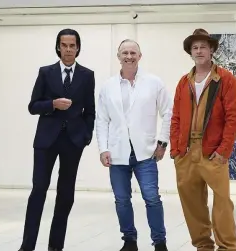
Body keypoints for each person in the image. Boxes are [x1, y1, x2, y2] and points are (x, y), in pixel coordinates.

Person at [18, 28, 96, 251]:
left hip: (73, 142)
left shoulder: (87, 75)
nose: (68, 49)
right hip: (46, 141)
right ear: (58, 47)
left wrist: (85, 136)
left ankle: (55, 246)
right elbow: (33, 106)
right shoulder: (45, 72)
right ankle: (27, 246)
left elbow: (90, 111)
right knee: (39, 190)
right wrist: (52, 104)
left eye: (72, 46)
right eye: (64, 45)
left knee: (66, 194)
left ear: (78, 48)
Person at [96, 39, 172, 251]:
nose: (129, 56)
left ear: (140, 56)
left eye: (133, 53)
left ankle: (160, 242)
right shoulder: (108, 86)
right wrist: (103, 149)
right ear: (118, 56)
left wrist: (163, 142)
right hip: (117, 153)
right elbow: (101, 120)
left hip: (146, 153)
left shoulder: (154, 82)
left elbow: (168, 113)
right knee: (121, 200)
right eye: (124, 53)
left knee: (152, 198)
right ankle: (129, 241)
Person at [170, 28, 236, 251]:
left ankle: (228, 247)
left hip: (213, 152)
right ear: (190, 52)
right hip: (186, 152)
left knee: (222, 204)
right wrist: (176, 150)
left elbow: (233, 117)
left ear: (211, 50)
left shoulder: (226, 79)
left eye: (203, 46)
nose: (199, 51)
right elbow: (176, 117)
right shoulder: (184, 81)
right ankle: (203, 246)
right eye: (195, 47)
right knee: (192, 205)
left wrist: (224, 151)